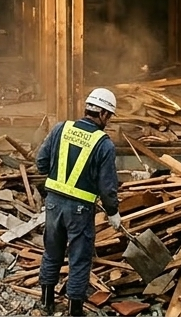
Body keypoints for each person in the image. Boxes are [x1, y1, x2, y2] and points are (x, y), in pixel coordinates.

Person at [35, 88, 121, 317]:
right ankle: (74, 311)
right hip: (80, 211)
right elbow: (107, 185)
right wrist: (113, 211)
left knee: (52, 251)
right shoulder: (104, 144)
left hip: (53, 204)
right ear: (102, 113)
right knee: (80, 259)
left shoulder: (61, 129)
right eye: (109, 116)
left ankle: (46, 302)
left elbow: (41, 163)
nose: (109, 121)